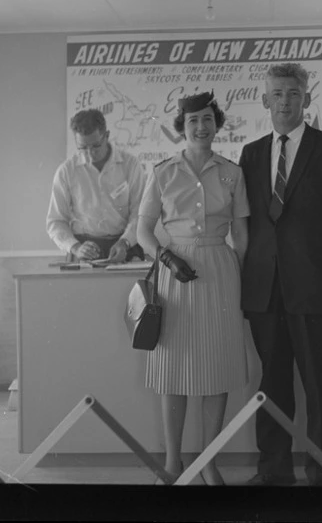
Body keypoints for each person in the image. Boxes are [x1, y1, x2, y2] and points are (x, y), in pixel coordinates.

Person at [240, 62, 322, 486]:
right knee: (272, 385)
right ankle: (273, 472)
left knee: (320, 388)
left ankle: (321, 477)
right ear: (265, 100)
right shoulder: (251, 153)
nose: (284, 101)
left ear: (306, 99)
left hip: (318, 292)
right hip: (265, 293)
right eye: (277, 94)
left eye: (293, 94)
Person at [136, 92, 249, 486]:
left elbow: (242, 231)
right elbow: (143, 231)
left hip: (219, 268)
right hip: (175, 270)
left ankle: (209, 461)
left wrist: (240, 271)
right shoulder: (163, 172)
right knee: (174, 369)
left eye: (207, 119)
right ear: (181, 129)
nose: (201, 127)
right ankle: (172, 462)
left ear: (217, 124)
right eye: (192, 121)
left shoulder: (233, 173)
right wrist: (167, 258)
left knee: (216, 367)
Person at [47, 108, 146, 262]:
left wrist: (125, 242)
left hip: (125, 245)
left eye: (96, 146)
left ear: (106, 136)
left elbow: (140, 214)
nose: (90, 153)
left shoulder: (131, 165)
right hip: (83, 247)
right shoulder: (66, 171)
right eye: (83, 148)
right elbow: (56, 221)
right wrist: (75, 247)